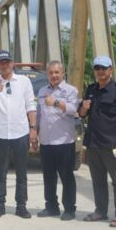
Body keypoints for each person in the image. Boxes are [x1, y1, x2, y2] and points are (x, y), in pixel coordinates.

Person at [77, 55, 116, 227]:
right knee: (98, 180)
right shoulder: (91, 89)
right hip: (93, 143)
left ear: (111, 70)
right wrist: (83, 108)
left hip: (111, 144)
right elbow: (81, 114)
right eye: (97, 68)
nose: (100, 72)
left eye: (104, 68)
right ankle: (100, 211)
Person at [0, 50, 37, 219]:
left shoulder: (24, 82)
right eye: (1, 63)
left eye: (7, 62)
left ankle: (21, 205)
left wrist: (33, 128)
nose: (4, 65)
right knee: (1, 170)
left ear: (12, 63)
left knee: (21, 171)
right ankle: (0, 204)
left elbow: (30, 105)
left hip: (20, 131)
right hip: (0, 133)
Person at [36, 60, 79, 221]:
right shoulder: (41, 91)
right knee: (48, 176)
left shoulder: (70, 90)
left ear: (63, 73)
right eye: (51, 73)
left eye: (57, 72)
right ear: (47, 74)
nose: (54, 75)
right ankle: (51, 206)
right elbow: (39, 113)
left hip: (64, 141)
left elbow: (73, 110)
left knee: (66, 176)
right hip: (46, 141)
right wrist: (35, 131)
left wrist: (55, 102)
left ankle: (69, 208)